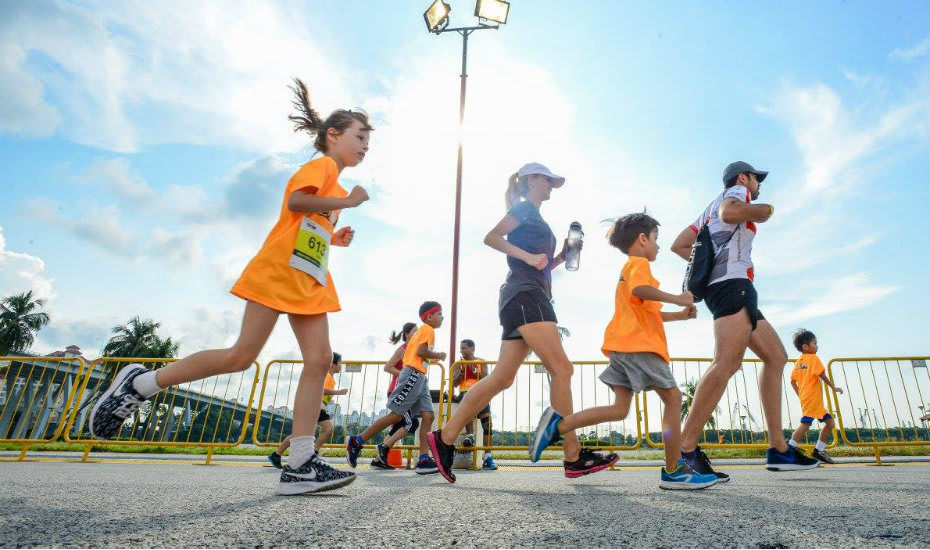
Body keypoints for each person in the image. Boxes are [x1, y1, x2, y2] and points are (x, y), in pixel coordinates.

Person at [88, 78, 372, 495]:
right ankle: (142, 384)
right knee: (241, 355)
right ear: (333, 135)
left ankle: (300, 463)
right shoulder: (324, 168)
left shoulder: (336, 185)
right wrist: (346, 204)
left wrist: (333, 237)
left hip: (307, 276)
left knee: (319, 358)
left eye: (368, 141)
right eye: (359, 136)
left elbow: (306, 226)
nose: (365, 146)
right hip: (280, 272)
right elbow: (296, 202)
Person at [428, 162, 616, 483]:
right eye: (547, 180)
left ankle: (445, 438)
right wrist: (528, 257)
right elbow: (491, 237)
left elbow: (540, 266)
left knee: (502, 378)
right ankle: (572, 454)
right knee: (562, 369)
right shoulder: (525, 208)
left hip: (524, 295)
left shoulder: (535, 216)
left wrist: (560, 258)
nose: (551, 185)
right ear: (530, 180)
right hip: (526, 296)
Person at [544, 213, 718, 489]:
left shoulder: (630, 269)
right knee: (673, 398)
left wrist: (679, 315)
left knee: (620, 409)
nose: (658, 246)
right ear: (642, 239)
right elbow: (641, 290)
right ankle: (674, 470)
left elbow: (648, 312)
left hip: (622, 345)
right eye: (656, 239)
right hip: (640, 346)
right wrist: (677, 298)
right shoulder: (639, 264)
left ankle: (559, 427)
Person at [669, 161, 819, 479]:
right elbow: (730, 213)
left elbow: (679, 244)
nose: (758, 184)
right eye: (756, 179)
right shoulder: (736, 193)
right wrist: (765, 210)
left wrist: (710, 265)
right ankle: (684, 452)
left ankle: (778, 449)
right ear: (742, 178)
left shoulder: (706, 210)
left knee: (775, 356)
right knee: (726, 362)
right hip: (732, 286)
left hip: (731, 287)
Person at [346, 302, 446, 474]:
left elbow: (417, 354)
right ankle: (357, 441)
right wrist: (439, 355)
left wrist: (432, 359)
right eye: (440, 314)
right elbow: (421, 352)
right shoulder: (427, 329)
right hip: (414, 374)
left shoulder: (421, 332)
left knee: (428, 416)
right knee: (396, 416)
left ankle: (423, 459)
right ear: (429, 316)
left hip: (420, 377)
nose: (442, 317)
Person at [268, 352, 348, 468]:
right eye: (340, 363)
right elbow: (321, 389)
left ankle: (314, 452)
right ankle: (276, 454)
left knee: (328, 428)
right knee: (300, 434)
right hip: (311, 406)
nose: (341, 366)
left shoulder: (329, 378)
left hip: (318, 408)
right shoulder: (326, 376)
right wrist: (338, 392)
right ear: (332, 364)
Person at [788, 329, 844, 465]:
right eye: (814, 343)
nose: (817, 346)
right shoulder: (813, 358)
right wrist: (833, 387)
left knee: (830, 423)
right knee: (806, 423)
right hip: (813, 399)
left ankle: (818, 450)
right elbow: (821, 375)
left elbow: (792, 381)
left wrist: (801, 395)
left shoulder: (800, 361)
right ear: (805, 346)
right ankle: (789, 449)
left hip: (809, 399)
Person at [370, 322, 419, 470]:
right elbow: (387, 367)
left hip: (406, 392)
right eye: (415, 331)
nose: (418, 334)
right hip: (397, 391)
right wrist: (404, 374)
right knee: (411, 423)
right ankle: (383, 447)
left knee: (398, 426)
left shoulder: (414, 350)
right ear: (407, 335)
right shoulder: (403, 349)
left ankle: (378, 459)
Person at [453, 339, 496, 470]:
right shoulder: (458, 364)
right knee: (468, 406)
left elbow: (487, 378)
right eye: (461, 348)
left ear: (472, 349)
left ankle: (488, 458)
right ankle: (470, 436)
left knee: (487, 424)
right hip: (465, 392)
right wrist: (460, 374)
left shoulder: (481, 362)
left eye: (464, 348)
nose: (461, 350)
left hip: (481, 392)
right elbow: (454, 383)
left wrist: (476, 372)